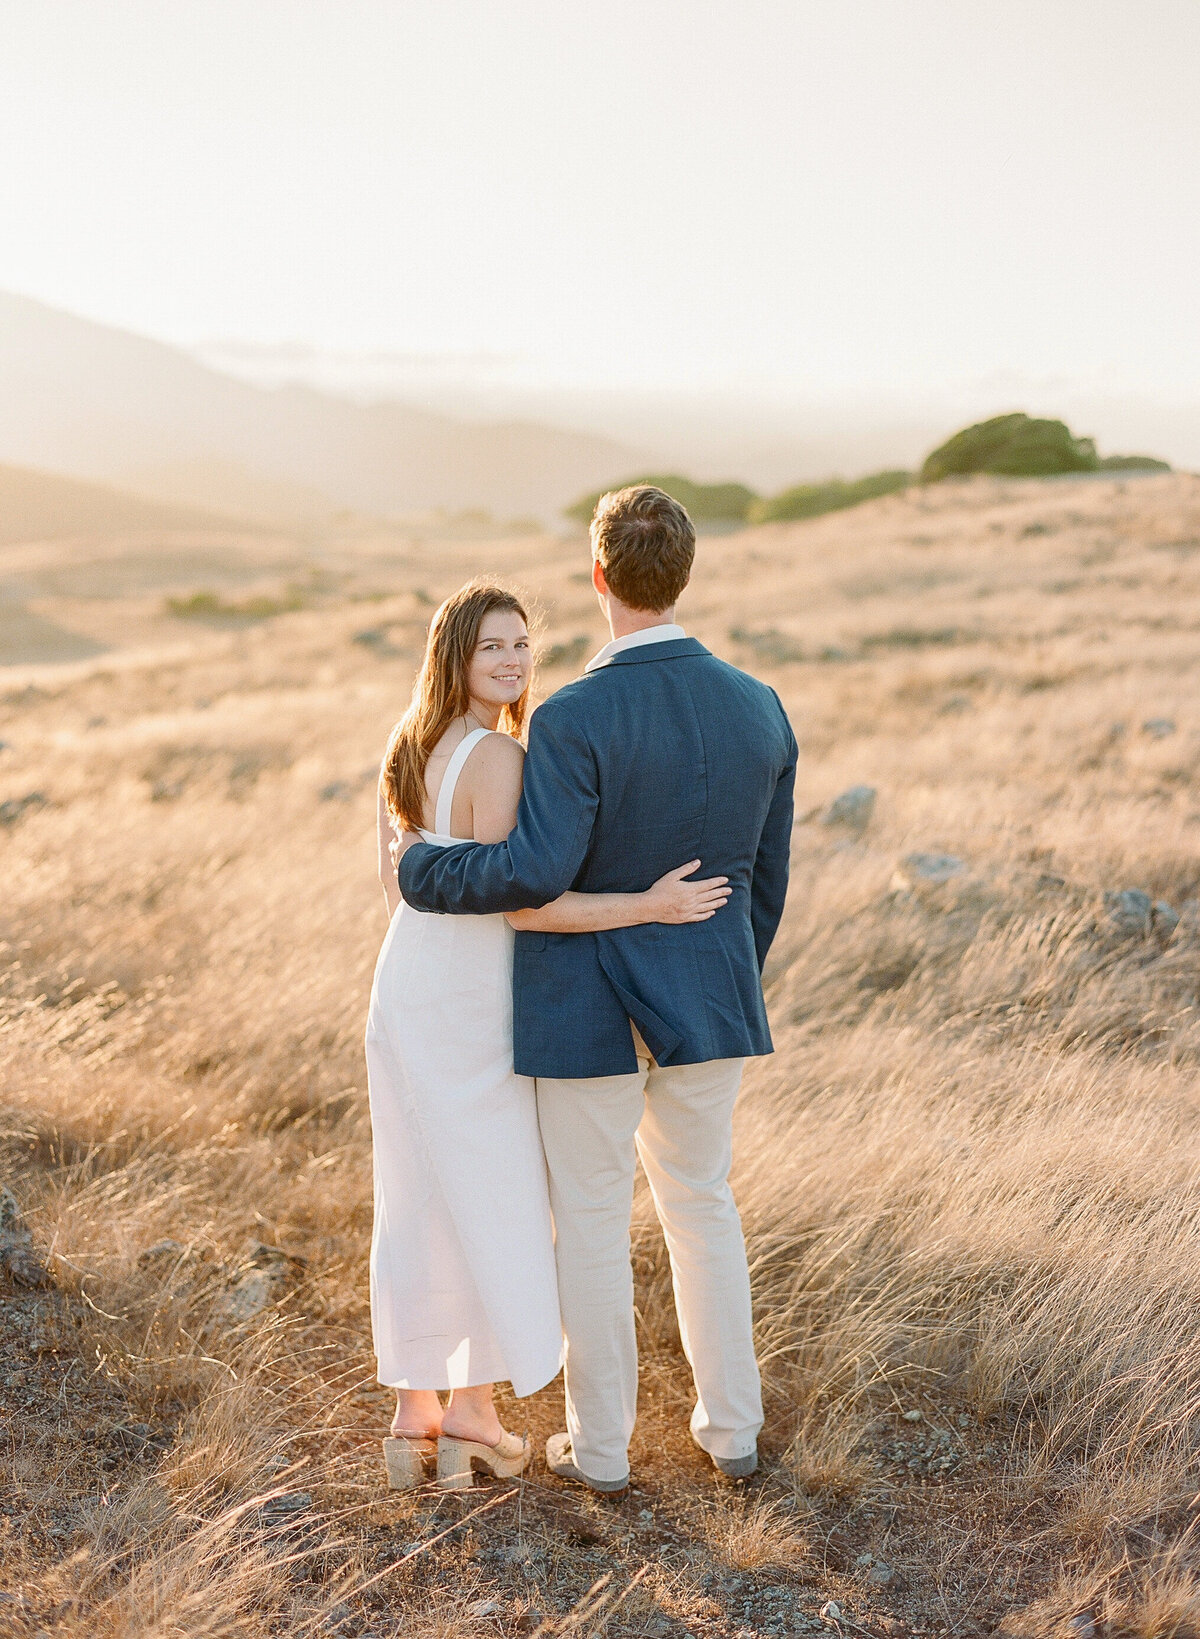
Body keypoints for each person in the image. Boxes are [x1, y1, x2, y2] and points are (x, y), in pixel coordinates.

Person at [398, 486, 798, 1492]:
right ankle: (733, 1430)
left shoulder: (572, 715)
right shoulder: (761, 705)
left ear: (598, 576)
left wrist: (424, 869)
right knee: (704, 1207)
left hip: (591, 1011)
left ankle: (606, 1453)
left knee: (589, 1224)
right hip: (713, 1000)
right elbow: (767, 880)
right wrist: (713, 970)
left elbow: (531, 874)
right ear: (684, 574)